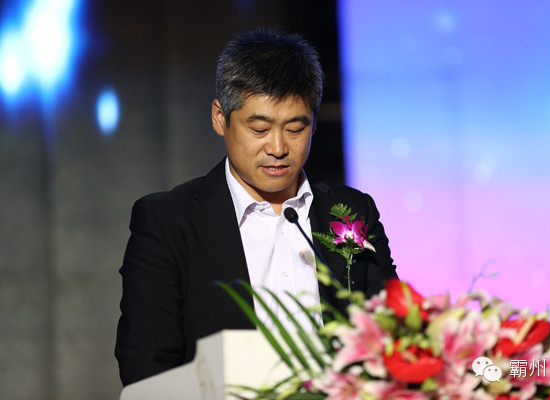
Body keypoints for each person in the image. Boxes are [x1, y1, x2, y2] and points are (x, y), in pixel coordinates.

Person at [115, 28, 397, 387]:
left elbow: (394, 334)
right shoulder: (168, 222)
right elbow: (146, 371)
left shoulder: (352, 210)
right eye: (260, 129)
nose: (278, 148)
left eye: (295, 129)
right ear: (220, 118)